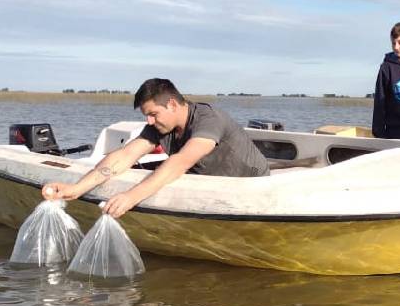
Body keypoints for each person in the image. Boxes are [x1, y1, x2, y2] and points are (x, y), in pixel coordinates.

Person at [43, 78, 269, 218]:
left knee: (165, 169)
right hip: (208, 183)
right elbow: (125, 155)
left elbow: (180, 162)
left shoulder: (208, 120)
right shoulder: (160, 126)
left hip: (253, 187)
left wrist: (131, 197)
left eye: (153, 114)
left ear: (171, 104)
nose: (149, 121)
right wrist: (77, 188)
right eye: (146, 116)